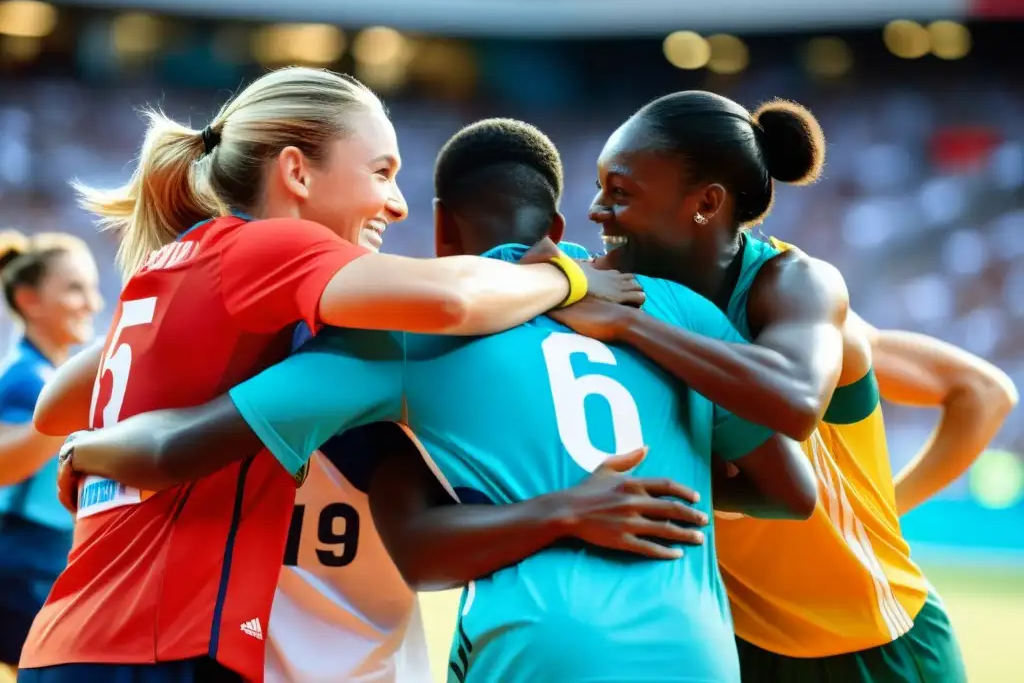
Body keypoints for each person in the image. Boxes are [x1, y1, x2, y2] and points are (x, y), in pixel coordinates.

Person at [52, 117, 818, 683]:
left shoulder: (401, 335)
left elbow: (182, 445)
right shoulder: (680, 310)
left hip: (539, 644)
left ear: (442, 230)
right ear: (555, 224)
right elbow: (791, 492)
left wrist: (85, 450)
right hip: (699, 651)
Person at [18, 68, 638, 683]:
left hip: (71, 635)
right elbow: (454, 299)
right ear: (296, 172)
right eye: (381, 172)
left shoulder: (177, 267)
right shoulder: (265, 249)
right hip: (160, 644)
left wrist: (94, 442)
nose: (397, 204)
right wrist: (565, 278)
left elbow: (55, 407)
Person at [547, 90, 990, 682]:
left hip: (873, 642)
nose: (597, 209)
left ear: (706, 203)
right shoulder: (628, 288)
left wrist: (893, 506)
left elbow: (796, 401)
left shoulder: (797, 286)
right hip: (738, 643)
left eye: (620, 192)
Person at [0, 230, 102, 675]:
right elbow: (6, 465)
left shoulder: (50, 375)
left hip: (46, 561)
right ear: (29, 300)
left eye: (93, 288)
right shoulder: (26, 379)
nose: (93, 304)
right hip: (21, 565)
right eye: (75, 288)